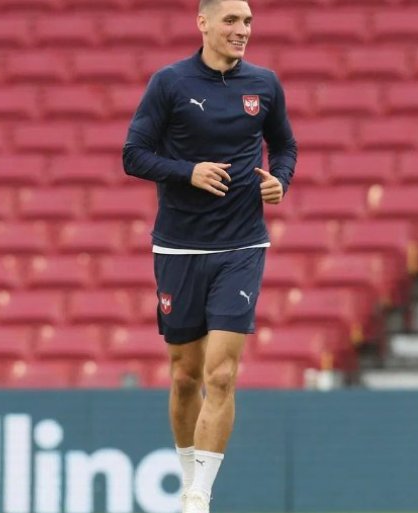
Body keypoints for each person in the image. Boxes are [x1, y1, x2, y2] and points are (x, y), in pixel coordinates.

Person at [121, 0, 297, 511]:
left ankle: (200, 493)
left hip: (242, 245)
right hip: (179, 245)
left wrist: (280, 180)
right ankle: (186, 477)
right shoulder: (170, 83)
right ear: (203, 23)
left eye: (248, 22)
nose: (242, 30)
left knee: (221, 374)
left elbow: (285, 146)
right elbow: (133, 155)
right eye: (231, 21)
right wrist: (188, 171)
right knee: (185, 376)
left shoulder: (264, 85)